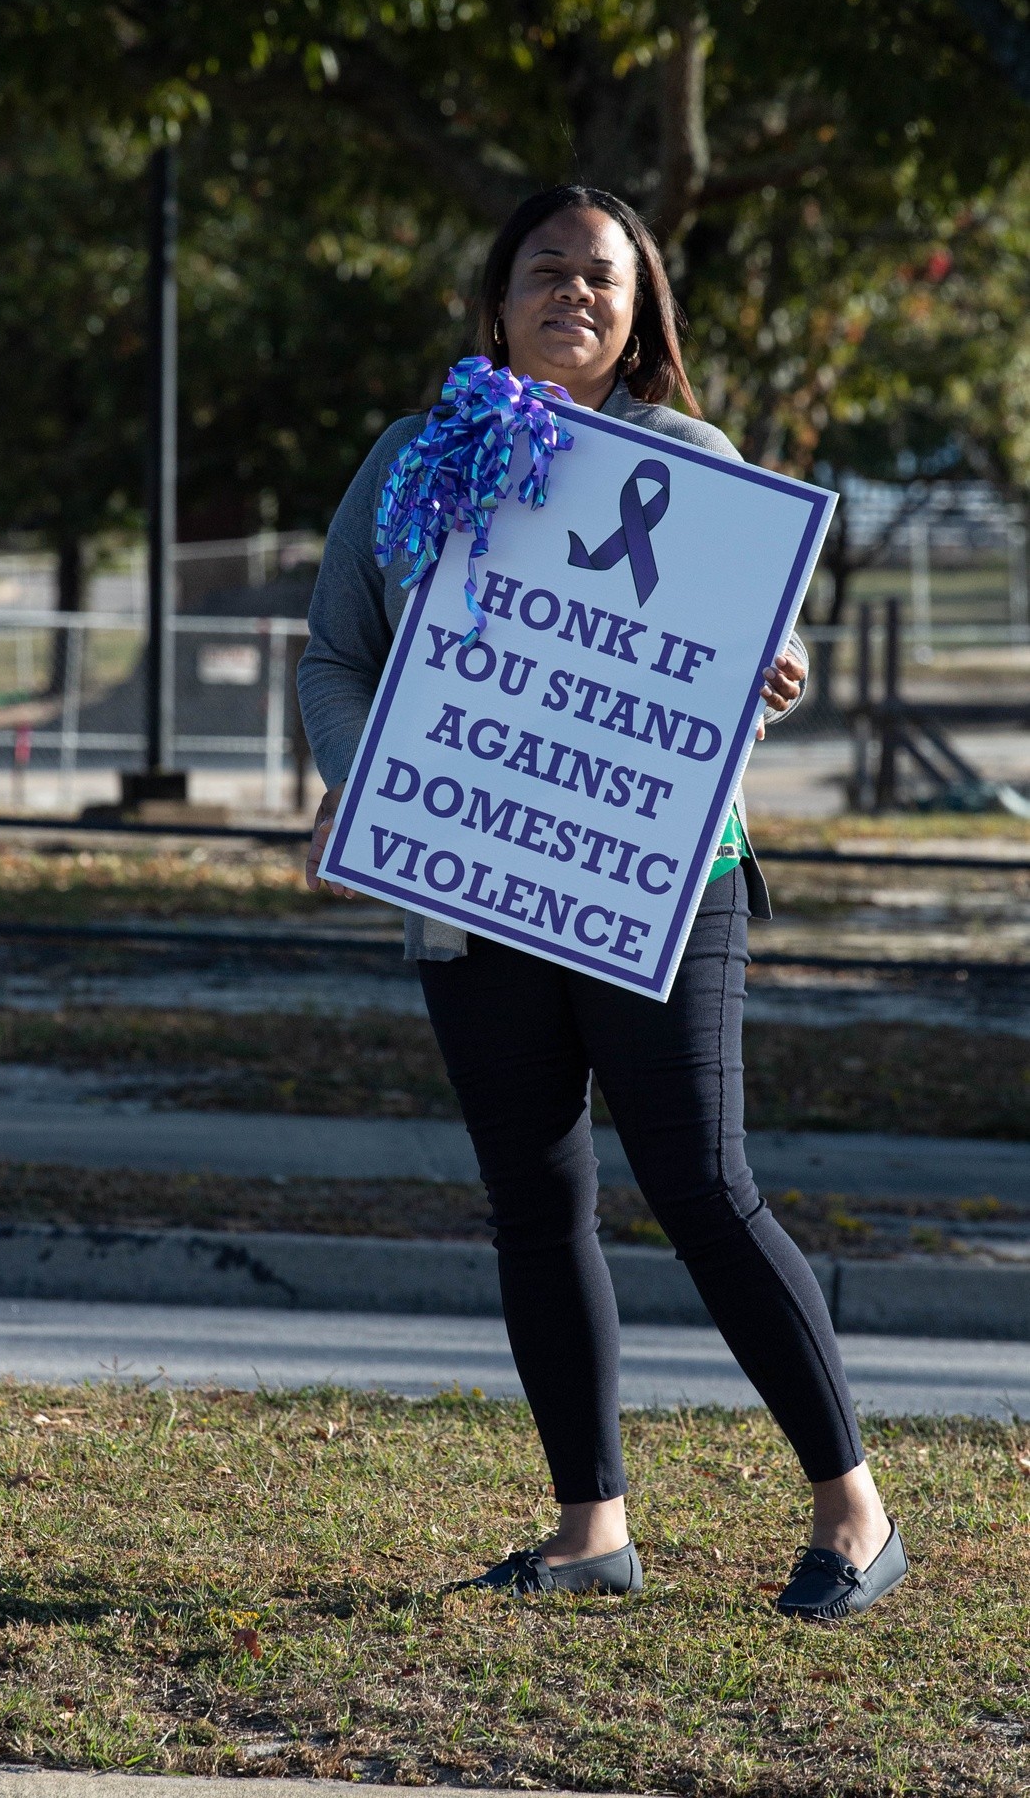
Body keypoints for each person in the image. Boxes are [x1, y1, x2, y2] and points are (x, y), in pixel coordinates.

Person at [297, 185, 907, 1624]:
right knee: (536, 1204)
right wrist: (370, 785)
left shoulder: (692, 461)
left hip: (659, 885)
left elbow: (737, 658)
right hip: (469, 884)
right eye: (546, 269)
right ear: (494, 300)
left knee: (699, 1186)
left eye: (603, 279)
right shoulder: (409, 458)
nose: (574, 292)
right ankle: (590, 1531)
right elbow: (334, 655)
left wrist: (766, 680)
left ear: (639, 320)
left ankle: (853, 1514)